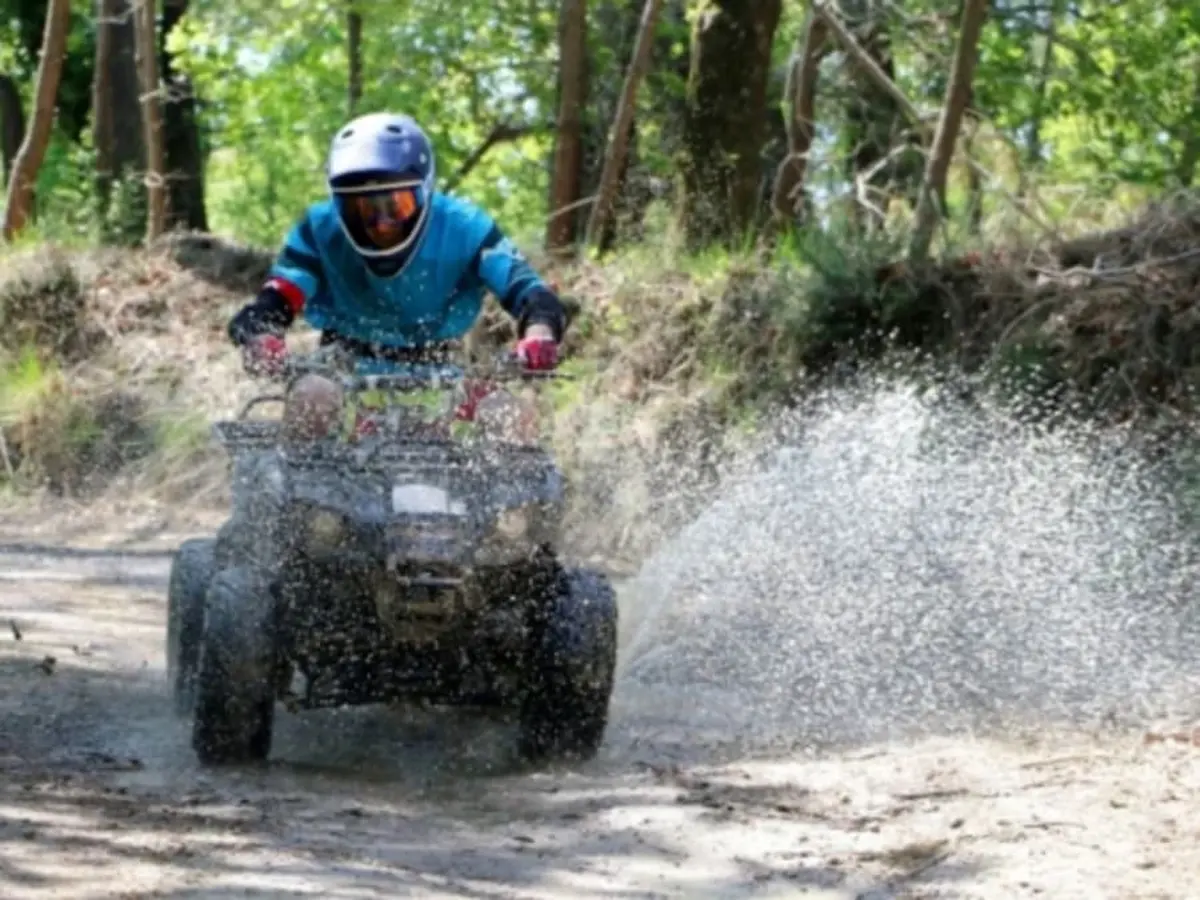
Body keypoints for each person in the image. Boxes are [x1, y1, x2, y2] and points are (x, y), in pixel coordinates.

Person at [226, 111, 567, 441]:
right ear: (337, 205)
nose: (381, 224)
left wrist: (539, 333)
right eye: (361, 210)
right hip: (342, 370)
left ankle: (516, 501)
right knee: (313, 396)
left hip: (444, 375)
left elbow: (527, 290)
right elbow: (278, 298)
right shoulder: (320, 229)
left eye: (396, 206)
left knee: (511, 416)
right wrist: (262, 335)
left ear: (425, 191)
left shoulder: (466, 228)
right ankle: (297, 497)